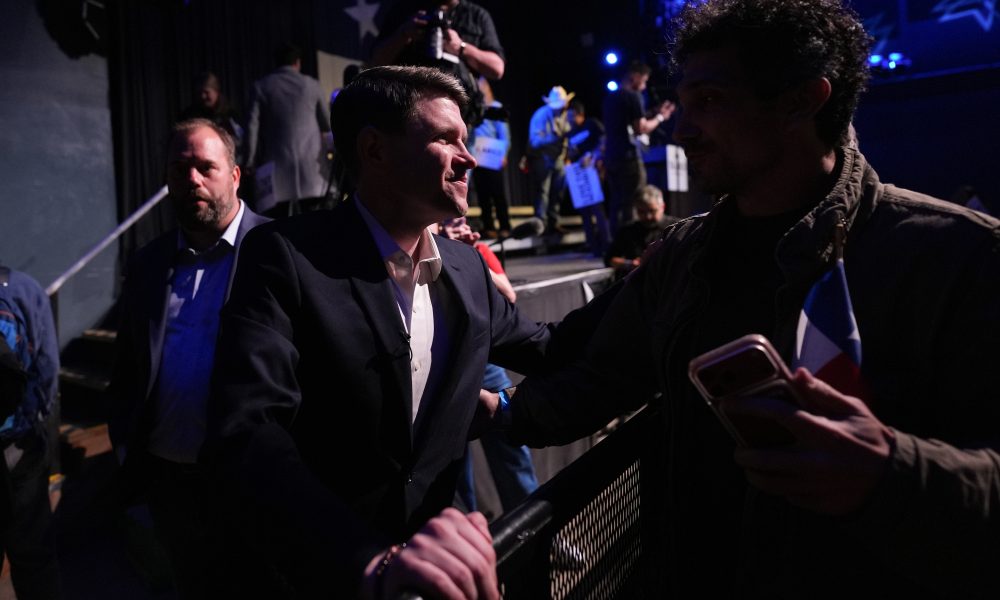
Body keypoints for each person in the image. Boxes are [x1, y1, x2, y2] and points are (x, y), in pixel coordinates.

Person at [493, 0, 1000, 596]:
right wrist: (494, 412)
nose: (682, 129)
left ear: (802, 100)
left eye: (709, 100)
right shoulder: (682, 255)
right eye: (683, 104)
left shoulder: (957, 255)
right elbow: (604, 377)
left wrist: (890, 469)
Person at [205, 66, 550, 599]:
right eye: (446, 139)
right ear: (374, 150)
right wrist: (366, 561)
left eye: (466, 139)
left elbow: (549, 347)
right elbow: (249, 430)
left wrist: (650, 282)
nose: (468, 158)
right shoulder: (286, 256)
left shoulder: (467, 269)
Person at [108, 119, 270, 598]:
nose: (192, 179)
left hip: (253, 477)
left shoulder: (280, 250)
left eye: (205, 167)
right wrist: (126, 445)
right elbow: (128, 364)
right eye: (180, 169)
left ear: (235, 175)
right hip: (170, 480)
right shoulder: (147, 263)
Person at [436, 216, 539, 514]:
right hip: (443, 366)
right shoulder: (421, 247)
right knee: (453, 465)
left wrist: (467, 256)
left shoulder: (476, 251)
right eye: (451, 222)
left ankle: (530, 528)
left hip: (485, 363)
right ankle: (466, 530)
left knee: (511, 449)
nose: (461, 226)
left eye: (463, 221)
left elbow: (508, 295)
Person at [0, 265, 60, 600]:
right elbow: (47, 366)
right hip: (21, 441)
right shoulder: (24, 288)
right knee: (34, 556)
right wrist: (37, 415)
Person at [372, 0, 505, 126]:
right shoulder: (405, 8)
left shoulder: (477, 16)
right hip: (406, 111)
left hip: (460, 115)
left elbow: (497, 69)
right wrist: (404, 34)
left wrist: (461, 47)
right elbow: (374, 63)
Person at [244, 42, 331, 216]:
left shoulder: (261, 87)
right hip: (311, 169)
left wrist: (249, 160)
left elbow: (252, 127)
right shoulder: (311, 85)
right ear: (297, 62)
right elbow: (327, 124)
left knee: (280, 222)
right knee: (315, 220)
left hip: (276, 172)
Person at [602, 60, 675, 232]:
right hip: (629, 158)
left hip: (611, 157)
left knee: (616, 203)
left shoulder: (609, 98)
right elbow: (641, 128)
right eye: (644, 81)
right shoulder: (633, 96)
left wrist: (653, 113)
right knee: (635, 202)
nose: (644, 86)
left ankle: (615, 242)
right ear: (635, 76)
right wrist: (661, 117)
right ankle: (632, 243)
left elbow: (623, 124)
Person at [527, 86, 574, 235]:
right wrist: (553, 139)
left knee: (558, 191)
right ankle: (540, 225)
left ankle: (554, 223)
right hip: (543, 158)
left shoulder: (565, 115)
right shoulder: (540, 116)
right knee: (543, 192)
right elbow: (534, 141)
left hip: (559, 159)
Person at [566, 99, 611, 256]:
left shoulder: (591, 124)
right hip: (579, 176)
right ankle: (593, 247)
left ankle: (606, 245)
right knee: (585, 213)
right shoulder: (570, 133)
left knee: (598, 210)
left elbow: (604, 140)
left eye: (572, 116)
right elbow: (569, 153)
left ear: (580, 114)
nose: (570, 120)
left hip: (593, 172)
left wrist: (593, 155)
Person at [604, 184, 678, 278]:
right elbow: (609, 259)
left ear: (662, 207)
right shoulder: (628, 231)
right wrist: (630, 264)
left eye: (652, 211)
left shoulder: (677, 227)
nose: (648, 216)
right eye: (641, 212)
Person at [471, 77, 512, 238]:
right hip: (477, 153)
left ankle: (505, 226)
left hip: (492, 152)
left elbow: (504, 134)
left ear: (487, 88)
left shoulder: (495, 107)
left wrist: (504, 154)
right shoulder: (473, 108)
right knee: (483, 193)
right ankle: (489, 226)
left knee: (497, 192)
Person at [178, 71, 243, 145]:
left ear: (216, 92)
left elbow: (240, 140)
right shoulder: (189, 115)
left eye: (206, 92)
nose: (202, 96)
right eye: (199, 93)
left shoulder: (230, 115)